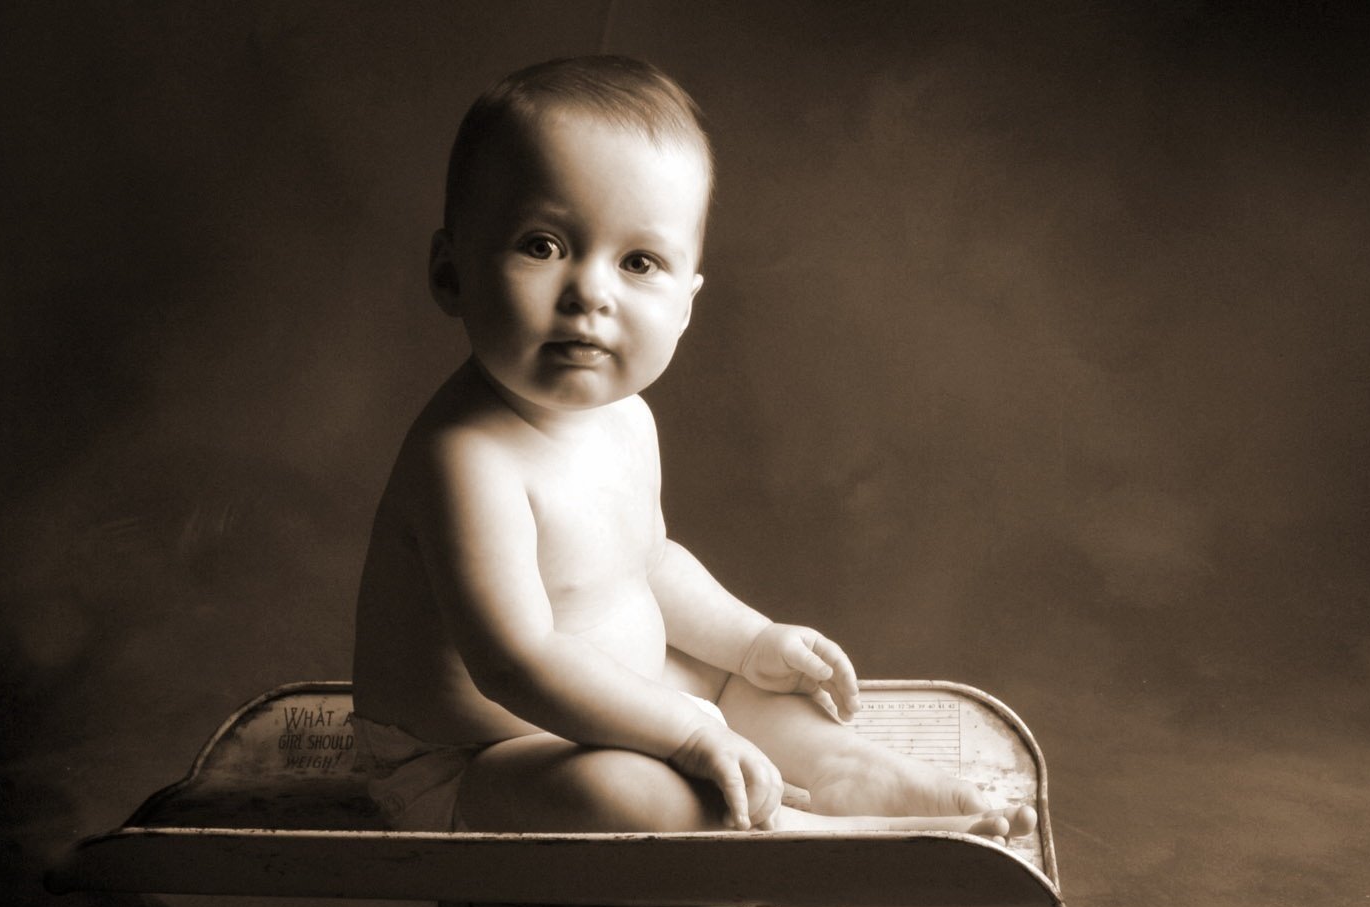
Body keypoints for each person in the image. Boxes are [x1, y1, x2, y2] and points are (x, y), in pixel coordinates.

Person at [350, 55, 1036, 840]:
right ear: (451, 274)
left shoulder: (628, 420)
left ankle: (846, 771)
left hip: (601, 712)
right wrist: (683, 732)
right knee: (634, 793)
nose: (590, 292)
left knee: (739, 680)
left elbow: (650, 562)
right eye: (542, 245)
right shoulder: (466, 458)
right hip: (468, 765)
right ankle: (807, 832)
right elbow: (518, 662)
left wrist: (750, 641)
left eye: (638, 262)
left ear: (684, 306)